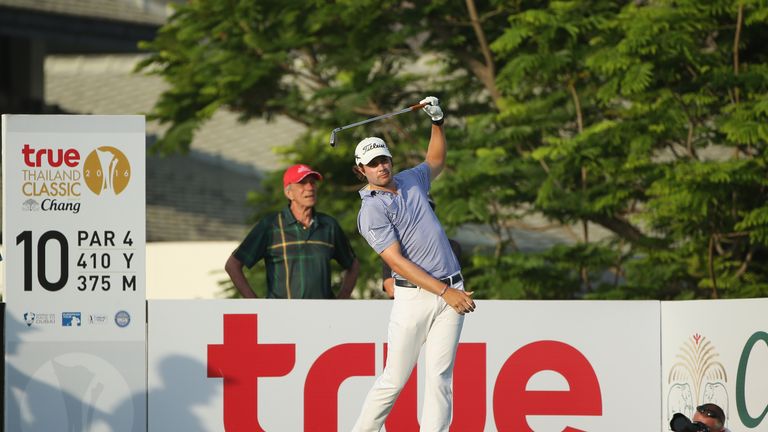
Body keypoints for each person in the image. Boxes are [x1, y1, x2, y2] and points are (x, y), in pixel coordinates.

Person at [351, 96, 476, 431]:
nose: (381, 166)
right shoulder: (371, 211)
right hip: (415, 297)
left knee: (439, 377)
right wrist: (445, 292)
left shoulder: (410, 179)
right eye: (373, 163)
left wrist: (437, 122)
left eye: (384, 159)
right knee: (394, 378)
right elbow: (397, 262)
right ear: (360, 170)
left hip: (452, 287)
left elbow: (435, 160)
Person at [225, 163, 359, 299]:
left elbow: (352, 264)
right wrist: (256, 305)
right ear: (289, 193)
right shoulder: (270, 225)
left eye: (312, 182)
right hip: (282, 317)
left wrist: (343, 298)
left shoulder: (329, 225)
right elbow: (233, 265)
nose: (310, 187)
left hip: (322, 317)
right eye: (302, 183)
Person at [380, 195, 462, 298]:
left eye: (426, 210)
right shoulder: (394, 249)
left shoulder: (452, 246)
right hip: (411, 303)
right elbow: (391, 289)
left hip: (444, 302)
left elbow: (455, 286)